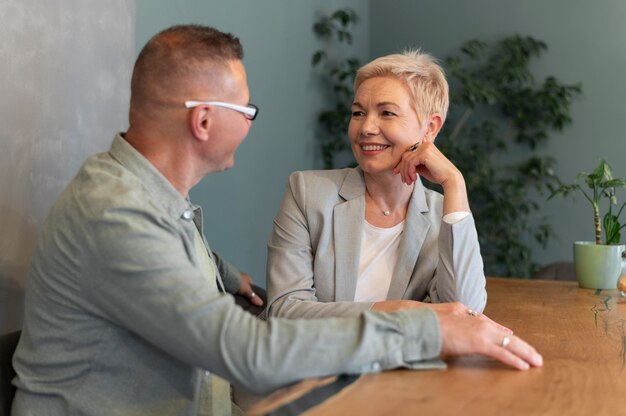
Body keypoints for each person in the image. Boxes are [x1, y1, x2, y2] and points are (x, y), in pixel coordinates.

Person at [11, 25, 542, 416]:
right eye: (245, 110)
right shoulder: (117, 214)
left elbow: (151, 252)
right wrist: (423, 326)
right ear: (203, 121)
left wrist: (217, 270)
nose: (250, 121)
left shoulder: (142, 197)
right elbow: (250, 352)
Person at [267, 51, 486, 320]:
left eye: (387, 113)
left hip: (402, 363)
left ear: (430, 127)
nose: (366, 127)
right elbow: (285, 310)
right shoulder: (306, 193)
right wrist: (397, 310)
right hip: (316, 361)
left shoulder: (446, 217)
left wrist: (455, 182)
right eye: (358, 112)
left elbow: (464, 314)